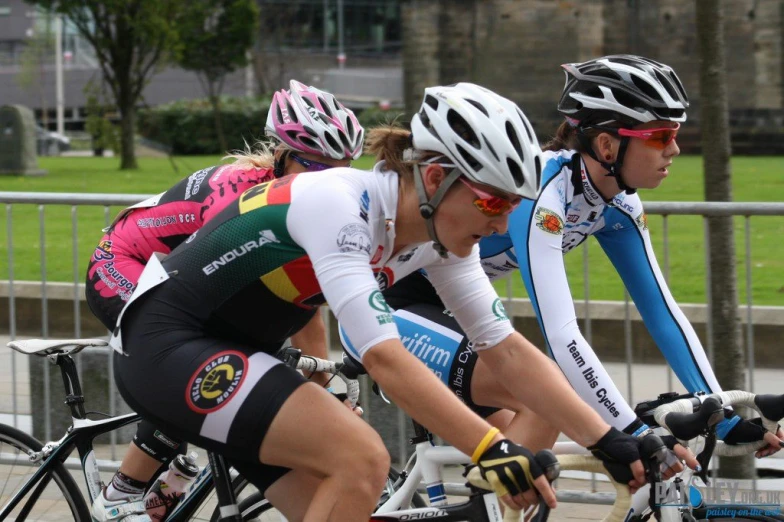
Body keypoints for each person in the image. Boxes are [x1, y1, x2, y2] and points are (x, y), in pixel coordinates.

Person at [110, 83, 651, 522]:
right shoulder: (340, 205)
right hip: (169, 343)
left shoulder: (437, 242)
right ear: (436, 177)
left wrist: (614, 439)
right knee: (362, 457)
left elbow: (505, 348)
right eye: (492, 200)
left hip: (243, 350)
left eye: (513, 204)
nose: (502, 222)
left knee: (349, 500)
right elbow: (383, 358)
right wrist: (490, 448)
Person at [370, 55, 784, 459]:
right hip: (394, 308)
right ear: (607, 145)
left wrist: (720, 413)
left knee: (536, 432)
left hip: (451, 309)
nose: (674, 149)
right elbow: (562, 333)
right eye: (660, 136)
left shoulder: (618, 205)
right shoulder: (543, 196)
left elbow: (661, 312)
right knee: (547, 402)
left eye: (674, 133)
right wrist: (631, 431)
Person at [86, 80, 364, 521]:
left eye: (340, 169)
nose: (327, 182)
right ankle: (123, 492)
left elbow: (300, 300)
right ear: (281, 155)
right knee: (190, 362)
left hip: (174, 274)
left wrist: (320, 379)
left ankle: (171, 478)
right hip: (123, 263)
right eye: (313, 166)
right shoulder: (243, 197)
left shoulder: (305, 202)